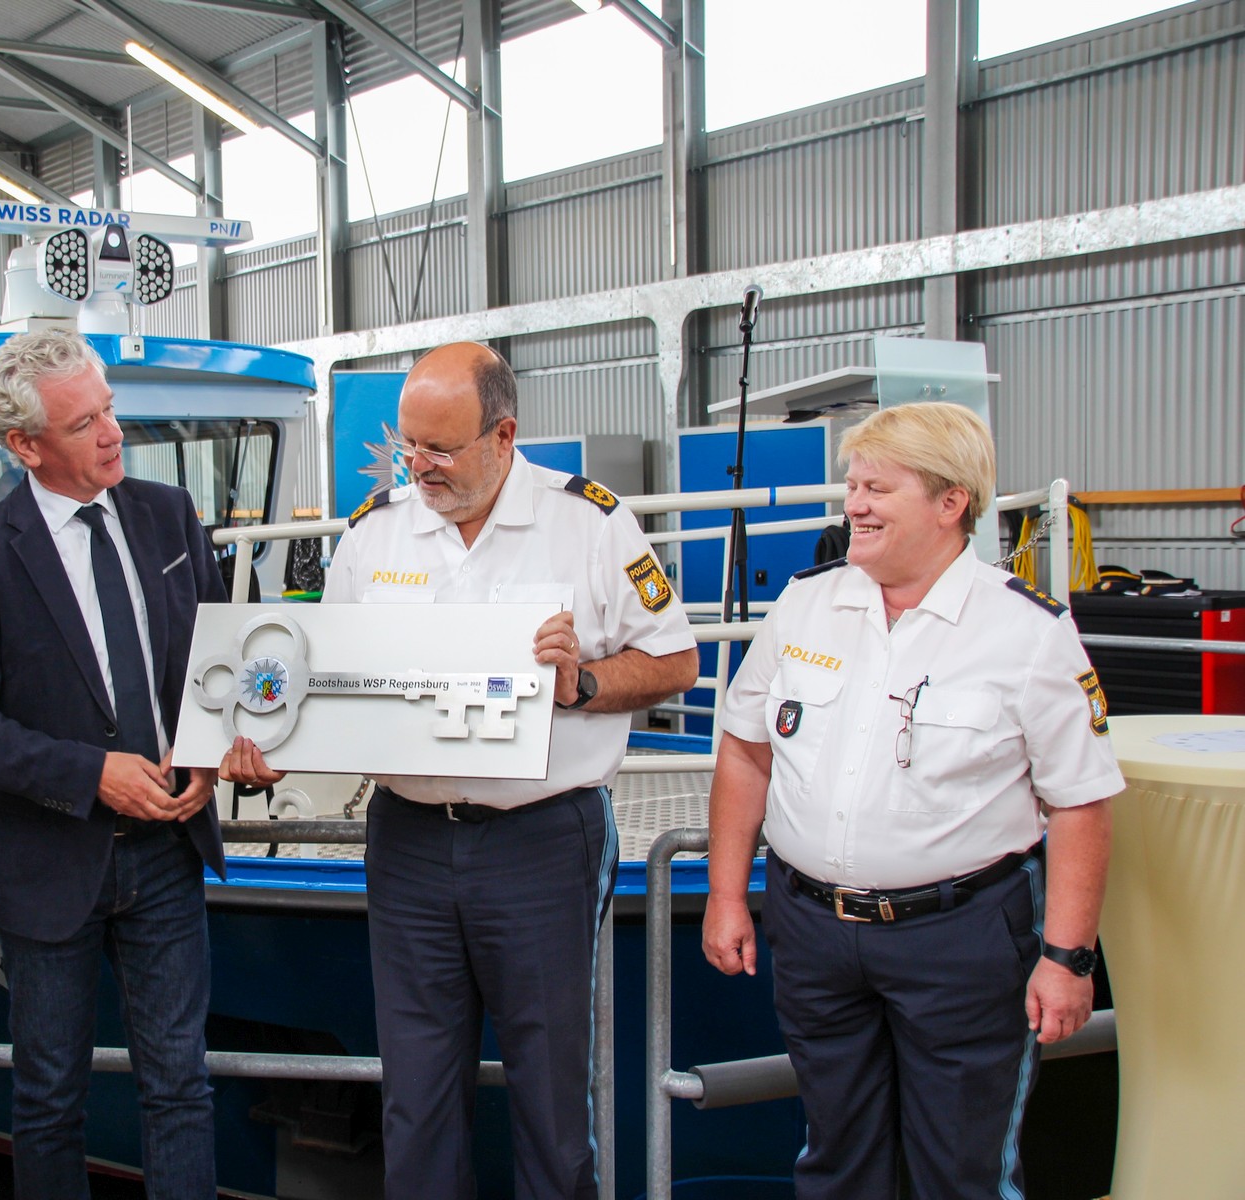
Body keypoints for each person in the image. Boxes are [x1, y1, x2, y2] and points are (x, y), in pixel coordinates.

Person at [224, 342, 698, 1199]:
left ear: (504, 435)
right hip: (407, 841)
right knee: (418, 1097)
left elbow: (675, 661)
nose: (419, 466)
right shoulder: (376, 533)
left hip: (543, 841)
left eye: (439, 449)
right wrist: (265, 747)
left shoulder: (590, 523)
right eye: (409, 445)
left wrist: (583, 682)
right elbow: (325, 683)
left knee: (554, 1100)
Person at [701, 401, 1119, 1200]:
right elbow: (747, 750)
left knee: (961, 1170)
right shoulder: (807, 603)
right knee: (836, 1159)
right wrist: (727, 895)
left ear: (950, 502)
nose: (853, 504)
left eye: (876, 488)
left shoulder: (1027, 633)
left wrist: (1067, 960)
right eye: (853, 485)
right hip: (814, 934)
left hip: (960, 942)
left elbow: (1081, 804)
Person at [0, 330, 227, 1199]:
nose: (112, 433)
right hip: (48, 864)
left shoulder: (168, 515)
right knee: (50, 1099)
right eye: (85, 421)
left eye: (110, 408)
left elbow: (214, 662)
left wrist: (208, 753)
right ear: (24, 446)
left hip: (166, 853)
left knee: (180, 1088)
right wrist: (91, 772)